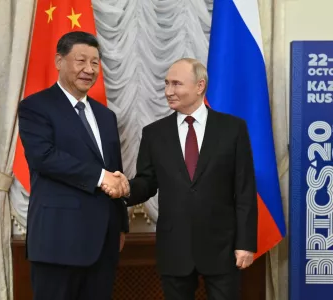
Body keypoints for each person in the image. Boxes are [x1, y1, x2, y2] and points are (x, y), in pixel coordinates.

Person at [104, 58, 258, 300]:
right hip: (175, 248)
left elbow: (245, 190)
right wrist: (124, 188)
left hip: (222, 248)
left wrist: (245, 243)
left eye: (176, 84)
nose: (168, 91)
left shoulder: (233, 129)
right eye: (166, 84)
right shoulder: (154, 134)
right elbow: (147, 182)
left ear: (199, 86)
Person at [18, 31, 130, 300]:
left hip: (103, 241)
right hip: (58, 240)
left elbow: (113, 168)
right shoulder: (35, 107)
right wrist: (101, 176)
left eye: (95, 63)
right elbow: (44, 157)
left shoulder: (106, 116)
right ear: (59, 61)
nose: (89, 70)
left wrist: (121, 224)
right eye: (81, 61)